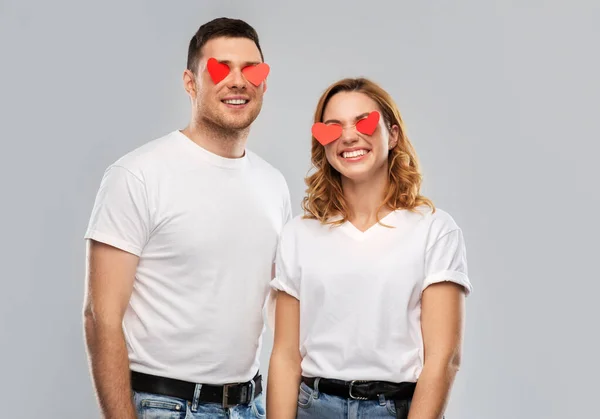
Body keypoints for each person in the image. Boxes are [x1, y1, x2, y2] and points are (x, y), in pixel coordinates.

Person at [83, 17, 291, 418]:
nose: (238, 81)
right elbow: (100, 317)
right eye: (219, 68)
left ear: (264, 83)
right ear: (190, 82)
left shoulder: (273, 184)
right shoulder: (138, 175)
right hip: (167, 405)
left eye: (252, 70)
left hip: (250, 405)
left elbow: (274, 305)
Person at [267, 78, 472, 419]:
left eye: (364, 122)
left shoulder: (434, 229)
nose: (348, 136)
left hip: (395, 409)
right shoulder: (298, 234)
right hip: (313, 408)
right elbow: (286, 356)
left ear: (392, 135)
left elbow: (444, 358)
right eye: (332, 128)